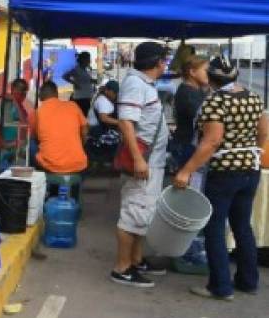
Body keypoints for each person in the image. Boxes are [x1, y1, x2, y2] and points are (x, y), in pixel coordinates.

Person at [173, 57, 268, 300]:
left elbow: (212, 141)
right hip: (251, 169)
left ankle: (220, 287)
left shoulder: (215, 101)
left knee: (215, 228)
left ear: (212, 79)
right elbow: (264, 131)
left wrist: (186, 170)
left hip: (224, 173)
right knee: (242, 225)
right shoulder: (253, 97)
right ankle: (248, 281)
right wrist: (248, 152)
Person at [111, 42, 170, 288]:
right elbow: (126, 123)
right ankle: (122, 268)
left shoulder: (143, 84)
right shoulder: (136, 84)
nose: (166, 64)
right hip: (143, 161)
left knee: (142, 212)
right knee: (133, 212)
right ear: (158, 63)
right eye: (165, 60)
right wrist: (137, 159)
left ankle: (136, 260)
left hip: (150, 160)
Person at [169, 55, 210, 186]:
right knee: (188, 188)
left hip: (188, 144)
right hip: (186, 145)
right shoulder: (187, 94)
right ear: (192, 72)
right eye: (205, 70)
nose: (209, 74)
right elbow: (204, 118)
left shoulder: (196, 90)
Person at [34, 81, 88, 175]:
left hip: (51, 165)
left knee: (31, 147)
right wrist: (81, 144)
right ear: (56, 94)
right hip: (78, 164)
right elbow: (85, 131)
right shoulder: (73, 106)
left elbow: (37, 137)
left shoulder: (38, 112)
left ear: (41, 96)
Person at [0, 78, 36, 173]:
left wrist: (16, 103)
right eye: (21, 91)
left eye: (25, 92)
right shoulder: (3, 105)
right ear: (13, 90)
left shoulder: (20, 107)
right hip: (7, 147)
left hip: (16, 146)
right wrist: (15, 144)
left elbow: (25, 126)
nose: (24, 95)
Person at [85, 79, 121, 161]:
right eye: (114, 92)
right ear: (107, 90)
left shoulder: (108, 100)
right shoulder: (102, 100)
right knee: (119, 139)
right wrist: (120, 123)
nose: (116, 95)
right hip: (95, 131)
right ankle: (108, 161)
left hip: (101, 129)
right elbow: (103, 118)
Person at [63, 51, 95, 116]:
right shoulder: (76, 69)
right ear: (83, 59)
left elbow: (86, 80)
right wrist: (74, 83)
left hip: (86, 98)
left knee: (84, 116)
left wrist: (93, 80)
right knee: (82, 117)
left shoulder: (85, 69)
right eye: (88, 59)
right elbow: (65, 76)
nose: (89, 60)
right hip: (80, 99)